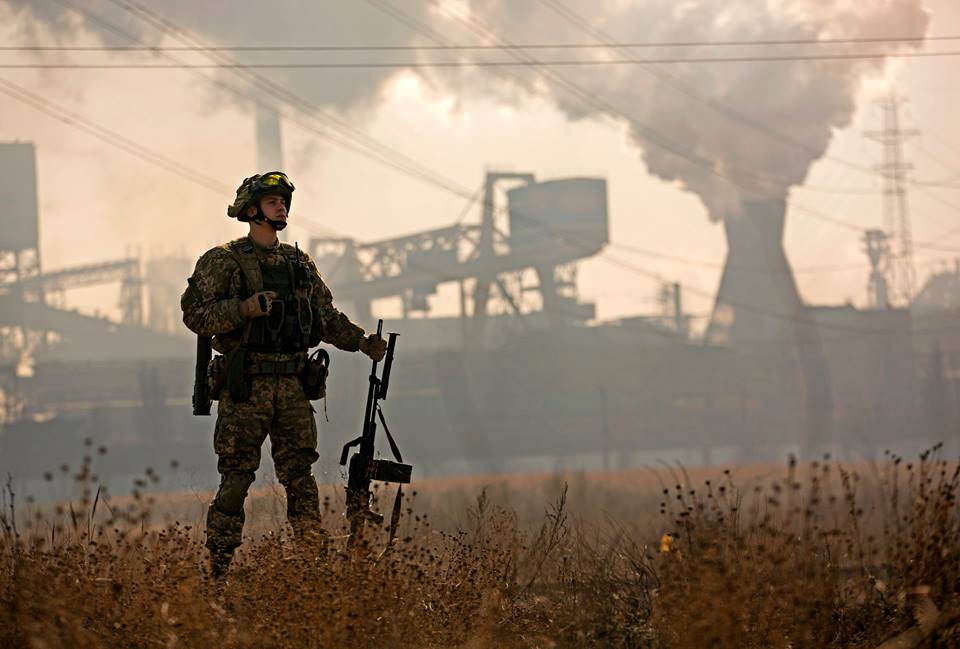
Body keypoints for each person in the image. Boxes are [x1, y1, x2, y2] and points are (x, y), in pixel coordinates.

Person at [180, 171, 387, 577]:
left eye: (284, 201)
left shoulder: (298, 264)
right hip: (246, 385)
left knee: (301, 477)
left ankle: (312, 562)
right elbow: (194, 315)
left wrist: (363, 342)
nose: (282, 207)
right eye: (273, 201)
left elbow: (324, 317)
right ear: (251, 210)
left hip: (293, 386)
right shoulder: (222, 261)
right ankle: (219, 567)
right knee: (237, 476)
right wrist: (243, 310)